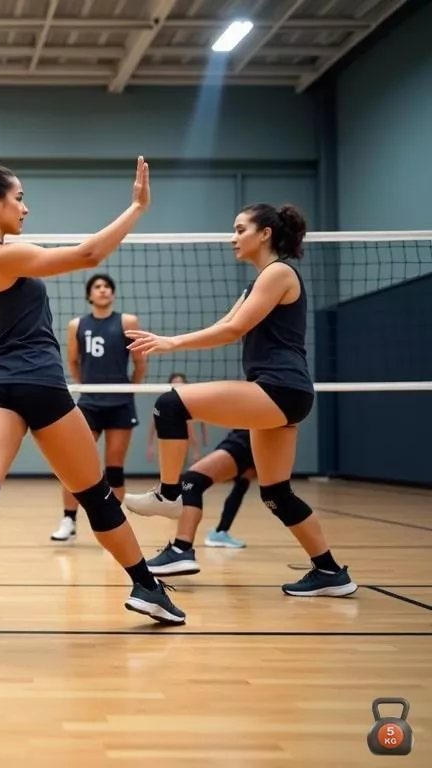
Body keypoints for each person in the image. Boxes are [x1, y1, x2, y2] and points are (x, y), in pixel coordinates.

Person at [0, 156, 186, 650]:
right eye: (19, 198)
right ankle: (146, 586)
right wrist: (137, 207)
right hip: (42, 385)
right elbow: (89, 255)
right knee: (96, 495)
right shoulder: (2, 255)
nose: (26, 208)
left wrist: (3, 356)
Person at [122, 202, 356, 598]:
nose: (233, 237)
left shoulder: (279, 273)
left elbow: (233, 330)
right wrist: (169, 341)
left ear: (265, 234)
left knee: (170, 404)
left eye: (240, 229)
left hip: (279, 388)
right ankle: (330, 571)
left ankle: (170, 495)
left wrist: (171, 342)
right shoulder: (257, 283)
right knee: (276, 492)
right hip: (285, 393)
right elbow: (224, 325)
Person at [50, 273, 146, 542]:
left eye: (107, 287)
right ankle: (69, 520)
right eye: (97, 287)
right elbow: (73, 361)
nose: (103, 290)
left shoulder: (127, 321)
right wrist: (87, 386)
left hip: (120, 402)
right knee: (74, 463)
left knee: (114, 466)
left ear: (112, 294)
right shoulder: (77, 325)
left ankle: (114, 525)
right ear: (89, 295)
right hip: (90, 403)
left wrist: (129, 390)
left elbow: (140, 363)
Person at [132, 428, 254, 576]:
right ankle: (219, 531)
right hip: (258, 436)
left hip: (248, 435)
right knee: (268, 492)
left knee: (192, 481)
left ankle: (181, 548)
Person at [145, 373, 208, 463]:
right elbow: (154, 421)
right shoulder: (162, 402)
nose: (177, 387)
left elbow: (199, 420)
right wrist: (150, 445)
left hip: (182, 441)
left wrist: (201, 442)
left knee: (180, 463)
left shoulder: (189, 402)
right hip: (166, 440)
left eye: (179, 384)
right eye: (174, 384)